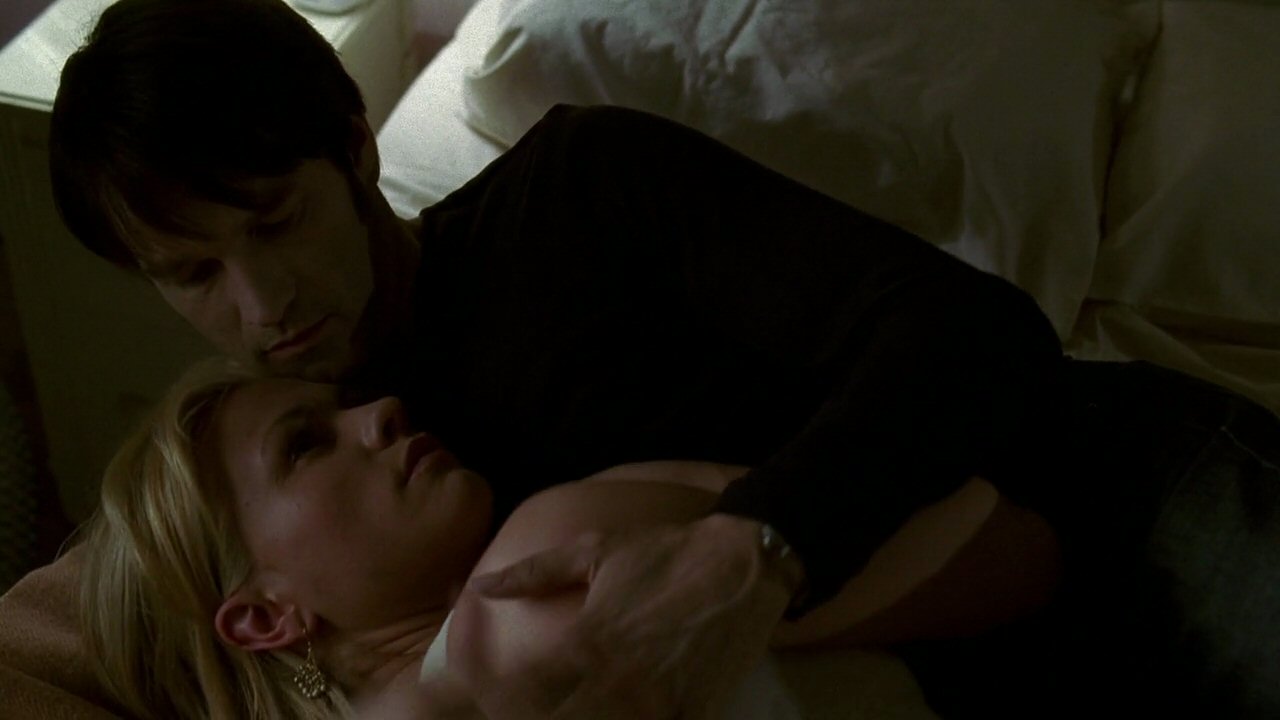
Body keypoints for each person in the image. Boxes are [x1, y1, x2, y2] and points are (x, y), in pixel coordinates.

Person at [47, 0, 1280, 716]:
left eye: (277, 221)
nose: (262, 301)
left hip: (1127, 496)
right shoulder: (305, 481)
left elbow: (971, 333)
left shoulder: (572, 192)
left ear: (358, 149)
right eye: (192, 274)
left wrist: (756, 549)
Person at [79, 358, 1060, 719]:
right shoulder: (541, 571)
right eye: (305, 445)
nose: (378, 411)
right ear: (263, 617)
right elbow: (1014, 556)